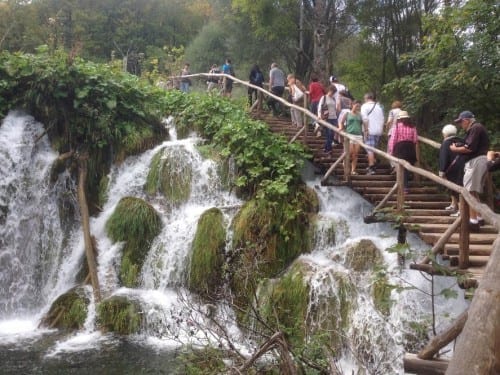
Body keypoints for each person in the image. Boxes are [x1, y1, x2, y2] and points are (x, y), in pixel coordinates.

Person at [449, 111, 490, 232]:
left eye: (461, 122)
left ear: (466, 120)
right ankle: (478, 217)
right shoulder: (475, 128)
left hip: (476, 161)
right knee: (474, 192)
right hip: (478, 161)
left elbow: (469, 148)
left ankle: (473, 222)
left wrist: (455, 149)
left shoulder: (475, 128)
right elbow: (468, 144)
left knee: (469, 192)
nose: (461, 125)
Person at [388, 111, 418, 193]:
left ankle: (402, 186)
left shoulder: (397, 126)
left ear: (399, 119)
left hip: (400, 147)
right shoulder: (413, 127)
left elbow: (393, 139)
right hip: (410, 147)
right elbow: (415, 140)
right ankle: (405, 185)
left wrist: (391, 150)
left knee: (400, 166)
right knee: (406, 167)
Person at [438, 124, 465, 214]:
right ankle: (454, 204)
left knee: (456, 187)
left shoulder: (446, 143)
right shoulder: (461, 140)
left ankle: (461, 210)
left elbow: (444, 157)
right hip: (463, 166)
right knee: (459, 186)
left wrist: (442, 170)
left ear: (445, 134)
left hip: (452, 168)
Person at [360, 93, 385, 175]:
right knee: (373, 148)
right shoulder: (379, 107)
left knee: (369, 149)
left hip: (370, 130)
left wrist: (366, 130)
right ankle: (375, 161)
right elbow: (382, 119)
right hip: (378, 130)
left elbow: (365, 119)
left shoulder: (365, 106)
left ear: (367, 98)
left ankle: (372, 168)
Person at [339, 100, 363, 174]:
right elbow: (341, 122)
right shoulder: (347, 114)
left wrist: (365, 132)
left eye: (359, 106)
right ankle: (345, 163)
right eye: (356, 106)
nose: (357, 107)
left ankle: (353, 170)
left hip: (358, 135)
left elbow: (361, 124)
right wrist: (341, 128)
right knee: (350, 151)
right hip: (349, 134)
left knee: (355, 154)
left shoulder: (360, 115)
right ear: (352, 105)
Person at [317, 85, 338, 155]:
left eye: (334, 92)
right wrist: (319, 116)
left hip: (334, 118)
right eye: (332, 92)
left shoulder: (334, 99)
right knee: (329, 134)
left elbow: (335, 108)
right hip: (327, 118)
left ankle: (326, 148)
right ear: (329, 90)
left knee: (332, 135)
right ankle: (329, 149)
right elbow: (320, 106)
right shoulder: (324, 97)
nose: (332, 93)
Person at [386, 101, 402, 173]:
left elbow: (389, 121)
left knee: (390, 149)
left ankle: (394, 166)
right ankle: (399, 165)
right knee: (398, 150)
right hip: (401, 133)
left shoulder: (392, 111)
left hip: (392, 132)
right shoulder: (402, 112)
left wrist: (386, 127)